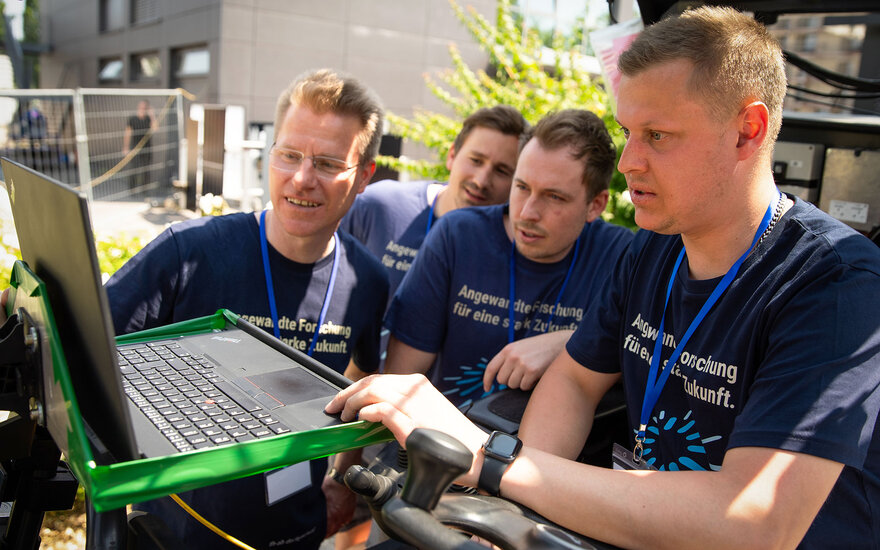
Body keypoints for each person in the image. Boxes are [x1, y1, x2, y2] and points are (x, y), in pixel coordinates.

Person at [325, 7, 880, 549]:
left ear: (747, 131)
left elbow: (751, 523)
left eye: (657, 135)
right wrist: (503, 514)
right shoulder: (653, 248)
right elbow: (573, 380)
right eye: (627, 132)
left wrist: (494, 464)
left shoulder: (834, 283)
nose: (628, 161)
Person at [107, 69, 389, 549]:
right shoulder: (188, 253)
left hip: (296, 531)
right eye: (289, 155)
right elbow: (87, 342)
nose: (302, 178)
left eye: (326, 163)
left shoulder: (367, 281)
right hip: (174, 531)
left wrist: (344, 478)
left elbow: (365, 378)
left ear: (363, 176)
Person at [383, 109, 633, 408]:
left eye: (554, 196)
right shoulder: (457, 236)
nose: (527, 212)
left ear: (596, 205)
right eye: (522, 187)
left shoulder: (622, 256)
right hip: (438, 432)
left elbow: (649, 361)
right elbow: (398, 381)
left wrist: (570, 342)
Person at [340, 104, 527, 302]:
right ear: (452, 155)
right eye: (476, 160)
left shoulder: (520, 247)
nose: (481, 181)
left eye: (501, 171)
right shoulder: (378, 206)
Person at [122, 100, 158, 194]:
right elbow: (128, 133)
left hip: (147, 148)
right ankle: (132, 190)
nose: (142, 109)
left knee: (146, 170)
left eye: (144, 108)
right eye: (141, 107)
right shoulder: (133, 119)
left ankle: (144, 190)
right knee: (134, 169)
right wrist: (126, 147)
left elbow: (155, 128)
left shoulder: (148, 119)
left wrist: (152, 115)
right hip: (135, 147)